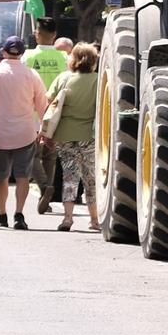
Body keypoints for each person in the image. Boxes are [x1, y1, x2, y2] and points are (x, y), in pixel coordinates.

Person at [0, 34, 48, 230]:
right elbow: (42, 104)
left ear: (3, 51)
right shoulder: (32, 75)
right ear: (22, 53)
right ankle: (19, 213)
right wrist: (45, 129)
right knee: (23, 176)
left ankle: (2, 212)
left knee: (1, 177)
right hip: (26, 133)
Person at [42, 43, 100, 233]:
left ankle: (67, 218)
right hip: (89, 136)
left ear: (73, 59)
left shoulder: (64, 78)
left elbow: (49, 101)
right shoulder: (98, 81)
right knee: (91, 178)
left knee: (69, 176)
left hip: (65, 135)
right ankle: (94, 220)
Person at [22, 18, 67, 214]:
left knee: (30, 155)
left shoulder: (27, 57)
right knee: (50, 156)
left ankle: (44, 187)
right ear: (55, 36)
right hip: (56, 114)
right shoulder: (64, 58)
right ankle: (45, 198)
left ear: (36, 34)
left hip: (31, 114)